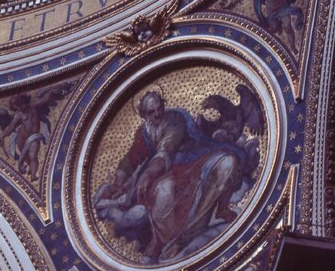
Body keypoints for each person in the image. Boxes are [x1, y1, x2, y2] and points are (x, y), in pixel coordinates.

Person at [94, 90, 245, 261]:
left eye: (160, 108)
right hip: (172, 170)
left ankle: (217, 212)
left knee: (229, 162)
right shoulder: (144, 132)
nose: (157, 114)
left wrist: (149, 173)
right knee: (162, 190)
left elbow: (167, 148)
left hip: (196, 158)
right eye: (151, 112)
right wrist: (118, 183)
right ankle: (162, 240)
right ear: (143, 115)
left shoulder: (174, 120)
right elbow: (131, 159)